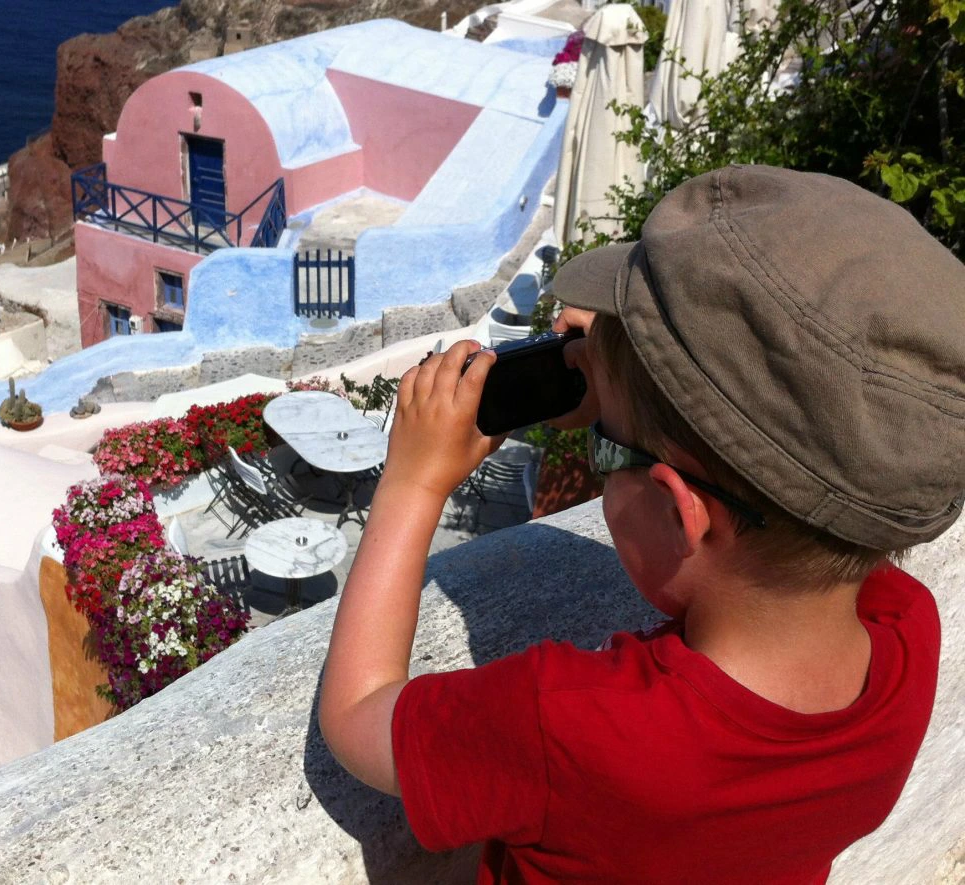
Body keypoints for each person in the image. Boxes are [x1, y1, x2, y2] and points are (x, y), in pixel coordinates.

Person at [318, 165, 965, 883]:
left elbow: (356, 714)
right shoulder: (908, 635)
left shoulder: (570, 724)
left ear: (675, 510)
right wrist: (635, 389)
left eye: (605, 446)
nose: (596, 449)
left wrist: (413, 482)